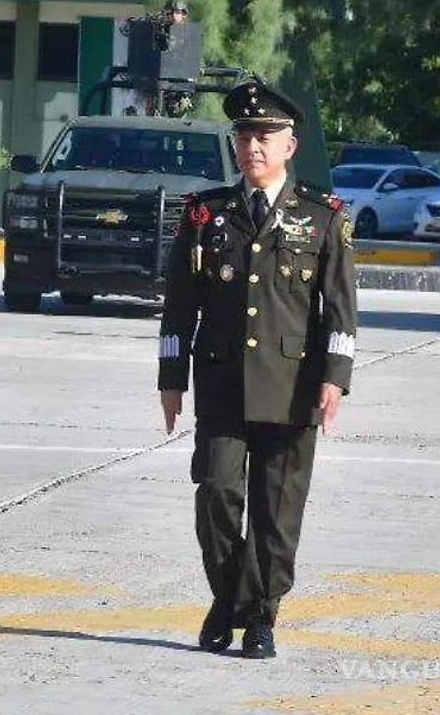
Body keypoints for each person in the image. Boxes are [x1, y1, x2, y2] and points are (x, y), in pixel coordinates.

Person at [158, 81, 357, 660]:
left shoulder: (323, 218)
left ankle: (261, 616)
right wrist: (171, 379)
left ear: (290, 145)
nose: (254, 145)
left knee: (276, 513)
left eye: (266, 135)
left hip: (293, 387)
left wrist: (335, 377)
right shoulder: (206, 215)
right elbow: (179, 305)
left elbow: (341, 308)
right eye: (245, 135)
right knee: (216, 493)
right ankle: (229, 599)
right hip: (221, 383)